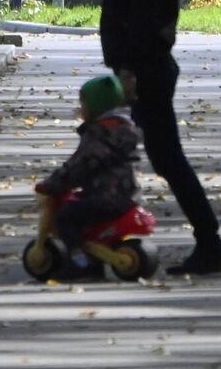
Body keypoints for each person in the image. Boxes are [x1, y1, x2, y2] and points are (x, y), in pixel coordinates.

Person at [83, 0, 221, 276]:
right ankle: (100, 243)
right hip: (137, 72)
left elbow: (148, 23)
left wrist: (130, 73)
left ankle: (210, 244)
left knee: (166, 158)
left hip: (145, 72)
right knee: (145, 157)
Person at [35, 73, 142, 277]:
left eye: (83, 105)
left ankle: (80, 262)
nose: (80, 110)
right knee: (83, 213)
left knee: (65, 219)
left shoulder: (98, 135)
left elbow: (80, 164)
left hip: (105, 196)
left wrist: (55, 183)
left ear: (95, 107)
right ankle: (95, 255)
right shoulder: (124, 129)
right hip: (128, 194)